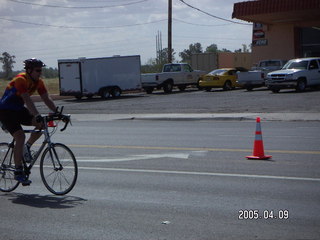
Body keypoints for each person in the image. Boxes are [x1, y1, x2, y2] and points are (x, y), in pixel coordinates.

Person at [0, 58, 57, 185]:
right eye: (37, 70)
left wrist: (57, 112)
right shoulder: (21, 79)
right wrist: (36, 114)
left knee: (42, 124)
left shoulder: (38, 82)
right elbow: (27, 99)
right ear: (29, 70)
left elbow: (46, 98)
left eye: (41, 70)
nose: (40, 73)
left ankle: (27, 147)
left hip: (18, 109)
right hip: (5, 111)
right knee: (20, 136)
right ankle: (18, 171)